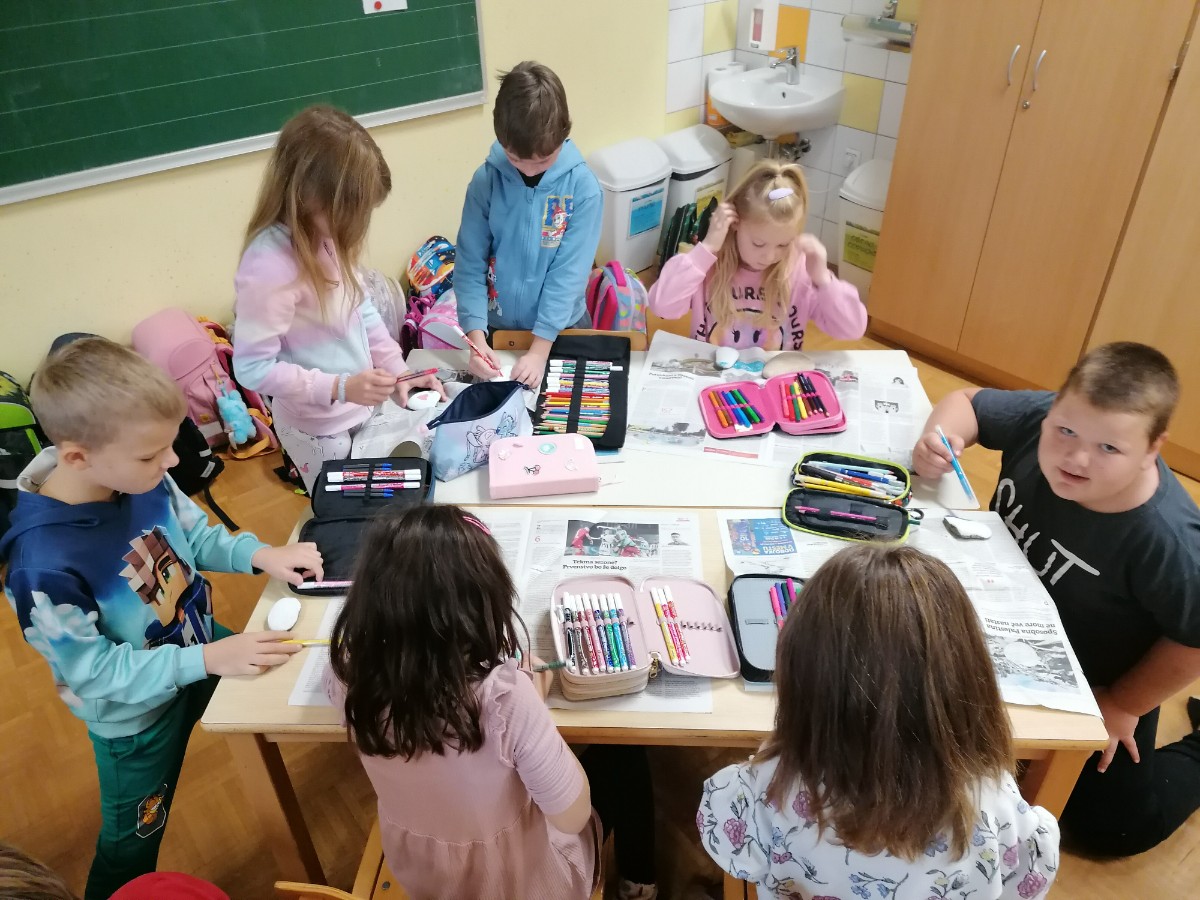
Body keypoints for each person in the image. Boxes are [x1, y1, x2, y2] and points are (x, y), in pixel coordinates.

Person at [0, 338, 319, 900]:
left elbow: (195, 535)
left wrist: (260, 555)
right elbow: (95, 674)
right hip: (137, 721)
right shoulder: (40, 566)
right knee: (132, 848)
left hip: (200, 650)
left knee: (288, 675)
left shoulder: (139, 473)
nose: (172, 462)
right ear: (76, 457)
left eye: (171, 445)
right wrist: (207, 658)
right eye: (153, 455)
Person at [912, 341, 1200, 856]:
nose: (1076, 456)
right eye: (1065, 431)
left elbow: (1194, 638)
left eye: (1109, 448)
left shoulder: (1167, 541)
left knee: (1111, 829)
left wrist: (1124, 703)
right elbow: (968, 402)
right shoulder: (1050, 415)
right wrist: (940, 439)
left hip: (1097, 678)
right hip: (997, 620)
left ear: (1152, 449)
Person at [327, 504, 658, 900]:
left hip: (427, 878)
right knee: (625, 752)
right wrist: (532, 704)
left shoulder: (346, 676)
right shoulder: (505, 698)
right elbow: (571, 818)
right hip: (522, 883)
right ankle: (639, 883)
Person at [698, 544, 1059, 898]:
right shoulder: (994, 801)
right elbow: (1027, 880)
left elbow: (731, 849)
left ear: (801, 676)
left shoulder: (766, 788)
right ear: (968, 676)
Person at [233, 104, 444, 493]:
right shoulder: (269, 266)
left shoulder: (324, 237)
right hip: (317, 429)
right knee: (344, 510)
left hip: (356, 409)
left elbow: (362, 311)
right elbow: (252, 369)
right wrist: (340, 388)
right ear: (313, 197)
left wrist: (401, 372)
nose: (358, 225)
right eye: (355, 211)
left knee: (377, 496)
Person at [455, 62, 603, 389]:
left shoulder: (583, 189)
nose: (529, 170)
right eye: (515, 159)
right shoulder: (486, 181)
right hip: (497, 328)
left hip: (562, 330)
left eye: (543, 160)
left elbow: (569, 275)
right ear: (501, 140)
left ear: (563, 136)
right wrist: (476, 339)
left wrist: (539, 351)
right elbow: (469, 263)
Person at [648, 160, 865, 351]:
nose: (769, 256)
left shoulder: (799, 269)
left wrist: (823, 280)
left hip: (776, 380)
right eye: (758, 243)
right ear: (735, 223)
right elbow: (662, 306)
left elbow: (852, 329)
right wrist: (707, 248)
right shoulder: (708, 265)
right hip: (714, 378)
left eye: (783, 244)